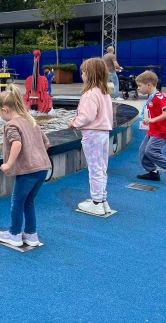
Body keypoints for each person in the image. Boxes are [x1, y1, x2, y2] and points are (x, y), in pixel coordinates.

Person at [0, 84, 51, 247]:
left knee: (17, 202)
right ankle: (31, 235)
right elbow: (46, 143)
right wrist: (35, 153)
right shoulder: (30, 120)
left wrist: (8, 164)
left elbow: (16, 143)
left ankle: (14, 234)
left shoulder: (11, 125)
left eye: (0, 114)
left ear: (5, 110)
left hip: (28, 171)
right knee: (29, 202)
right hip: (42, 169)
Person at [68, 58, 114, 215]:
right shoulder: (104, 93)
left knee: (94, 168)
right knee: (102, 168)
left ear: (90, 74)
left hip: (92, 134)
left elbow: (87, 116)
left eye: (83, 72)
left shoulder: (90, 94)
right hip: (103, 133)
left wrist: (74, 122)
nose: (81, 75)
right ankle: (102, 199)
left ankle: (96, 202)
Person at [135, 70, 166, 183]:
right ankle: (153, 172)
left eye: (140, 86)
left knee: (151, 150)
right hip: (154, 129)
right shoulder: (152, 96)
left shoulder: (159, 97)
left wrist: (153, 120)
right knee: (143, 150)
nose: (138, 88)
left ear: (149, 85)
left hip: (162, 130)